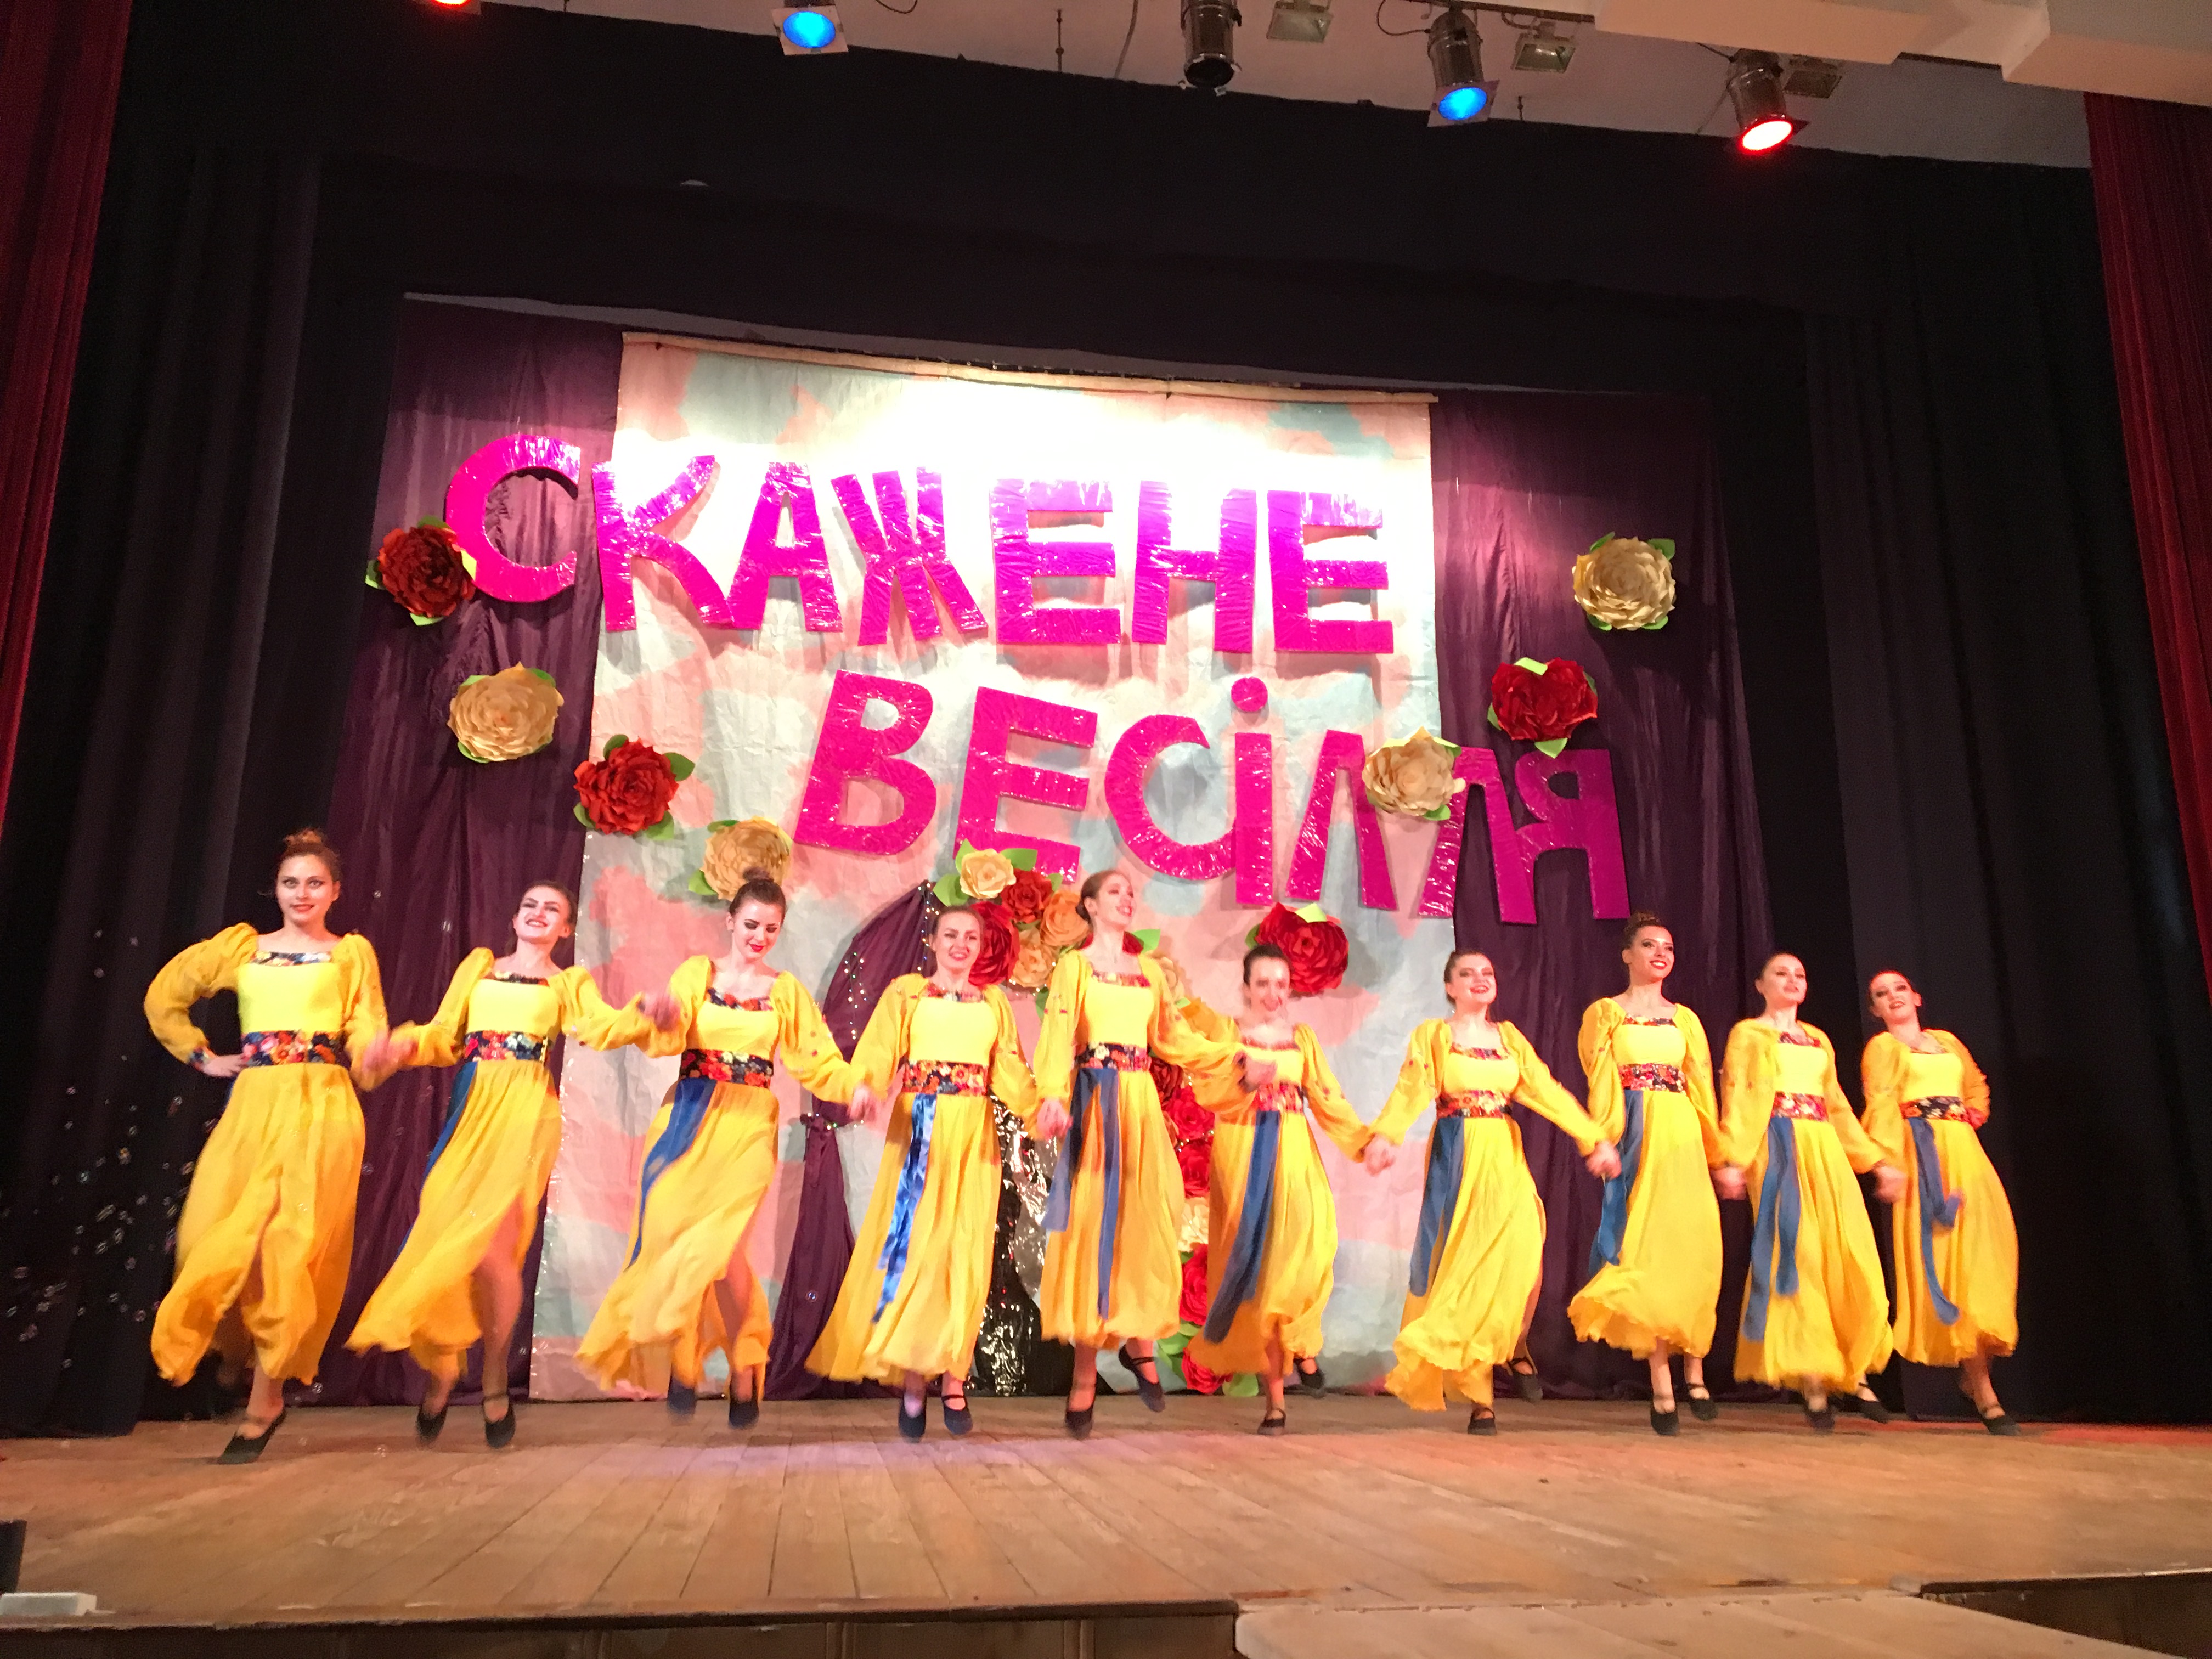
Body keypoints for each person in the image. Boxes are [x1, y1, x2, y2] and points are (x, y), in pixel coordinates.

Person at [346, 882, 671, 1447]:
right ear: (515, 918)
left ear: (566, 929)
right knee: (446, 1234)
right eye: (530, 906)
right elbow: (442, 1037)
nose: (539, 914)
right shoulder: (478, 968)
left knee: (497, 1250)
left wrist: (644, 1010)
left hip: (526, 1112)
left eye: (553, 910)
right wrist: (398, 1045)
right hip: (473, 1110)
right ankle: (443, 1366)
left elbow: (600, 1026)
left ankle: (494, 1374)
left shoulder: (568, 983)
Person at [575, 868, 875, 1424]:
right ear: (731, 921)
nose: (760, 936)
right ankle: (698, 1357)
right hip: (688, 1119)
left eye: (771, 928)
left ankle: (735, 1356)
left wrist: (852, 1087)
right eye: (752, 924)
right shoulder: (699, 973)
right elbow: (669, 1034)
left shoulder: (784, 991)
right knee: (673, 1236)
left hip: (748, 1123)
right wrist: (658, 1015)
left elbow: (818, 1059)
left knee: (718, 1247)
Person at [143, 830, 390, 1463]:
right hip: (255, 1104)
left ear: (336, 891)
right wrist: (200, 1056)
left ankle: (266, 1398)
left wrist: (375, 1054)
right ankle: (237, 1347)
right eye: (290, 883)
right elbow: (166, 995)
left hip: (322, 1106)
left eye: (315, 883)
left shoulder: (349, 955)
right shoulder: (245, 949)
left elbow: (367, 1028)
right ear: (276, 890)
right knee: (213, 1234)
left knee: (289, 1245)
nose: (302, 893)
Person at [1031, 870, 1267, 1437]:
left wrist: (1233, 1057)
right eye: (1114, 891)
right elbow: (1058, 1037)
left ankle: (1140, 1344)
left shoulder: (1150, 974)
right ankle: (1084, 1378)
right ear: (1090, 906)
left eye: (1130, 892)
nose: (1126, 898)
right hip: (1095, 1103)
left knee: (1144, 1222)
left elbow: (1174, 1038)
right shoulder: (1074, 967)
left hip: (1138, 1104)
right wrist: (1052, 1097)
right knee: (1095, 1232)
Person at [806, 906, 1040, 1439]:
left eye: (971, 937)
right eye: (950, 934)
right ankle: (915, 1384)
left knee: (966, 1253)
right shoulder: (907, 994)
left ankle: (955, 1380)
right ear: (933, 940)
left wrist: (1038, 1109)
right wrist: (863, 1089)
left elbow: (1009, 1070)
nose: (961, 944)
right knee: (917, 1255)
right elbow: (876, 1054)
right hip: (921, 1130)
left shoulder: (994, 1002)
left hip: (974, 1136)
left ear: (981, 946)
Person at [1372, 950, 1620, 1434]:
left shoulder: (1509, 1039)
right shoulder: (1435, 1036)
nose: (1480, 979)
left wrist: (1594, 1139)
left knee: (1524, 1252)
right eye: (1467, 974)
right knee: (1469, 1269)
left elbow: (1546, 1090)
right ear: (1450, 987)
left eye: (1487, 972)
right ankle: (1481, 1399)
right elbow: (1411, 1088)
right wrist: (1387, 1135)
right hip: (1460, 1155)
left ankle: (1517, 1342)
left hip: (1505, 1153)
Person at [1181, 943, 1385, 1435]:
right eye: (1263, 983)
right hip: (1245, 1151)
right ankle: (1276, 1401)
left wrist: (1366, 1144)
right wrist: (1245, 1081)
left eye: (1281, 984)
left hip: (1294, 1154)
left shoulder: (1302, 1040)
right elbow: (1209, 1092)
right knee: (1264, 1273)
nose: (1273, 993)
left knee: (1310, 1249)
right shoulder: (1229, 1034)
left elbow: (1329, 1100)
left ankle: (1303, 1342)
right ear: (1246, 987)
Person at [1716, 953, 1905, 1431]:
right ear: (1760, 985)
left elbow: (1837, 1105)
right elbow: (1738, 1098)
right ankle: (1814, 1381)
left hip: (1824, 1146)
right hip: (1777, 1146)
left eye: (1800, 974)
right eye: (1781, 973)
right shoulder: (1748, 1034)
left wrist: (1877, 1162)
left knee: (1845, 1251)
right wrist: (1734, 1160)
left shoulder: (1818, 1038)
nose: (1792, 980)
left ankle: (1854, 1369)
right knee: (1796, 1255)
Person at [1566, 913, 1725, 1435]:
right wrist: (1602, 1139)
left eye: (1669, 947)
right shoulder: (1606, 1014)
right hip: (1638, 1134)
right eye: (1650, 944)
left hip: (1682, 1135)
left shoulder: (1686, 1020)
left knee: (1694, 1247)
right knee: (1646, 1253)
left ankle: (1695, 1369)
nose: (1661, 953)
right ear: (1627, 955)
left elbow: (1702, 1087)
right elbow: (1601, 1082)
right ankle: (1662, 1385)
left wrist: (1719, 1155)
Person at [1861, 970, 2020, 1433]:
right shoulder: (1883, 1048)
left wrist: (1974, 1112)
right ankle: (1986, 1394)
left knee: (1990, 1260)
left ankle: (1978, 1372)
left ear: (1916, 997)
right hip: (1923, 1159)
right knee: (1954, 1269)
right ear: (1875, 1010)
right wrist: (1887, 1164)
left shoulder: (1947, 1041)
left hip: (1966, 1154)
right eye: (1881, 994)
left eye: (1899, 989)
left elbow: (1975, 1085)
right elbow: (1880, 1104)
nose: (1893, 997)